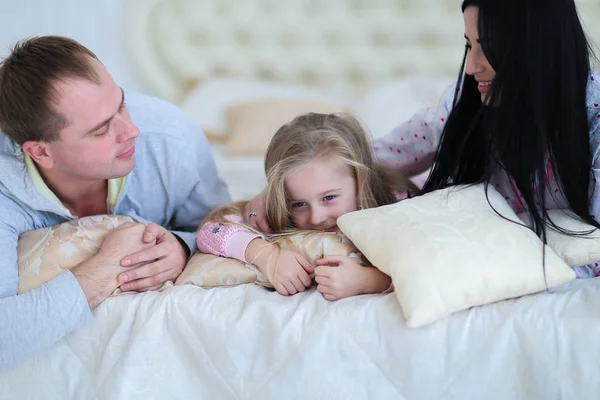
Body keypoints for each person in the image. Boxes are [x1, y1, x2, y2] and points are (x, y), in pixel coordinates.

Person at [245, 0, 600, 277]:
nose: (472, 66)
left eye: (486, 47)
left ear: (535, 48)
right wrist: (287, 182)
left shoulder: (594, 123)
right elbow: (361, 160)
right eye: (469, 45)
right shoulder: (467, 99)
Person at [0, 36, 231, 370]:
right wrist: (105, 269)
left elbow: (228, 228)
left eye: (121, 104)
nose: (132, 130)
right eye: (101, 129)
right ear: (41, 152)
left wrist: (184, 246)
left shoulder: (171, 140)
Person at [196, 113, 419, 300]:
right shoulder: (272, 212)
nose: (316, 218)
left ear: (362, 181)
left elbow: (424, 265)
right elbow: (210, 232)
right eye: (299, 203)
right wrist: (266, 256)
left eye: (329, 198)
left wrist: (369, 281)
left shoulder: (397, 203)